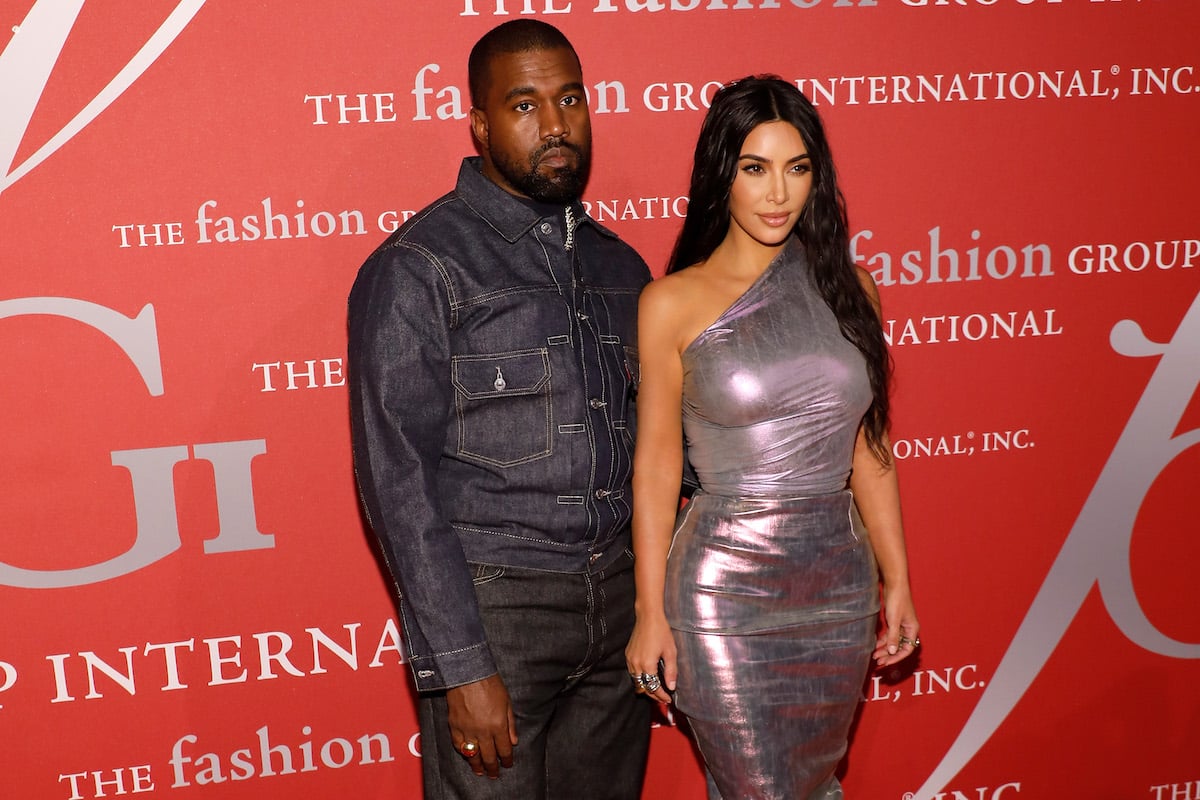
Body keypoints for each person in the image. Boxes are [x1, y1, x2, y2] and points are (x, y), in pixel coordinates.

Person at [348, 20, 651, 800]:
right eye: (524, 105)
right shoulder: (419, 267)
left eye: (570, 100)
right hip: (499, 611)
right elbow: (398, 483)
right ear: (479, 124)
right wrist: (463, 665)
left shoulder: (622, 267)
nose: (556, 126)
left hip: (619, 611)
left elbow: (657, 454)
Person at [625, 76, 920, 799]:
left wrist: (899, 580)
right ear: (722, 173)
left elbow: (869, 454)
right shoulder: (672, 302)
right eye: (755, 168)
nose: (777, 192)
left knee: (813, 784)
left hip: (836, 587)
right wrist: (649, 612)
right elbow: (659, 467)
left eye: (797, 168)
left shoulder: (855, 290)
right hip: (724, 590)